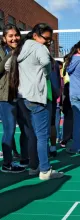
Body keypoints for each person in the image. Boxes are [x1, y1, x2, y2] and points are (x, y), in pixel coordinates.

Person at [8, 23, 64, 180]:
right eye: (46, 38)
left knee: (32, 134)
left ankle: (33, 167)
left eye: (49, 40)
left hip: (22, 97)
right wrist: (44, 74)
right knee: (42, 135)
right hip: (37, 97)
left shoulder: (21, 48)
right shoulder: (39, 48)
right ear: (35, 35)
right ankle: (45, 170)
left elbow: (8, 65)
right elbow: (46, 62)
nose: (48, 42)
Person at [0, 24, 26, 173]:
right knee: (9, 130)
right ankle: (7, 163)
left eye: (16, 35)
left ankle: (24, 158)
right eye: (10, 36)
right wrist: (12, 54)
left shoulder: (23, 50)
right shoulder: (3, 51)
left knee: (26, 128)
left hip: (22, 95)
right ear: (4, 38)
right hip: (5, 96)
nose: (14, 38)